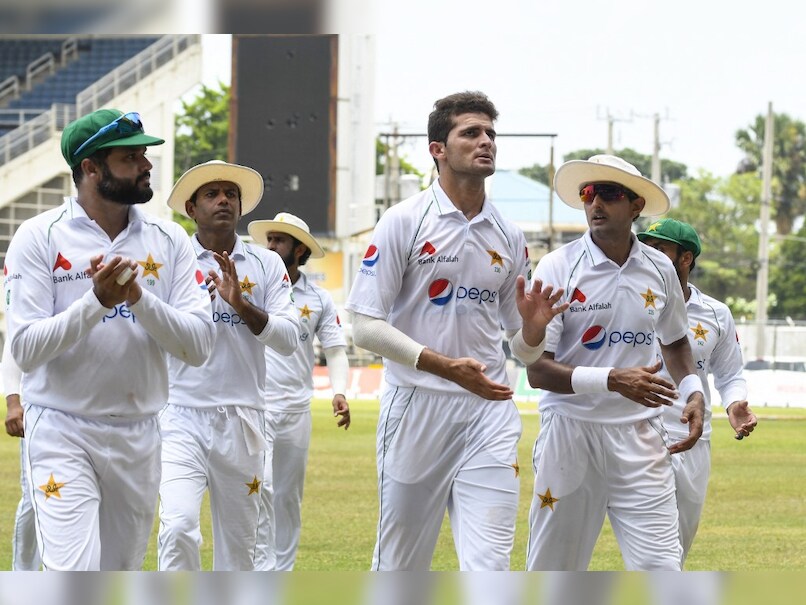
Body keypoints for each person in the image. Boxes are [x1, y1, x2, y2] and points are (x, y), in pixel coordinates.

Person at [345, 91, 567, 571]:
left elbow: (524, 351)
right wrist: (444, 366)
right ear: (438, 149)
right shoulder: (403, 221)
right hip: (416, 409)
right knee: (400, 567)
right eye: (471, 132)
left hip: (489, 413)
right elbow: (363, 326)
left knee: (490, 568)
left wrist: (533, 332)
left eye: (490, 133)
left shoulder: (508, 235)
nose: (486, 141)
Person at [2, 108, 215, 570]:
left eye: (143, 155)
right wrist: (96, 301)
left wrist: (137, 297)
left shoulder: (169, 240)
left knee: (117, 576)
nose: (146, 165)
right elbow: (25, 349)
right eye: (130, 157)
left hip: (140, 431)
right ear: (91, 168)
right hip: (61, 427)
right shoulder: (39, 236)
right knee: (75, 575)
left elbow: (199, 347)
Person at [525, 154, 706, 571]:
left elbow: (676, 341)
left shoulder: (660, 268)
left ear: (636, 205)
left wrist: (693, 391)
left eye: (608, 193)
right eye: (588, 193)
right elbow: (537, 371)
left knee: (663, 570)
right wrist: (612, 379)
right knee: (554, 575)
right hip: (570, 437)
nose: (595, 203)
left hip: (641, 438)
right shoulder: (557, 266)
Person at [157, 161, 299, 570]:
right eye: (211, 194)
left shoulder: (266, 264)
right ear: (191, 208)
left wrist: (241, 305)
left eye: (231, 194)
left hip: (243, 419)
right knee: (178, 528)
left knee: (240, 550)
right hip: (180, 415)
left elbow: (289, 339)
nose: (223, 200)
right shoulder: (171, 261)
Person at [637, 217, 757, 564]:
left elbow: (729, 373)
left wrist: (734, 403)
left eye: (659, 249)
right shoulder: (631, 300)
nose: (648, 255)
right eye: (645, 248)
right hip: (638, 434)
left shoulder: (716, 313)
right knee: (656, 548)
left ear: (686, 258)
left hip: (692, 439)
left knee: (679, 545)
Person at [248, 211, 351, 571]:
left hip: (296, 411)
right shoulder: (252, 289)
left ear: (300, 249)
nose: (271, 246)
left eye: (279, 240)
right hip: (256, 407)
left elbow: (335, 350)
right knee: (261, 489)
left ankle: (284, 572)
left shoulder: (319, 298)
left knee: (288, 498)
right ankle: (261, 571)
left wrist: (339, 391)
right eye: (270, 239)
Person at [2, 336, 41, 571]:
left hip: (101, 414)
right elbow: (13, 345)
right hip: (40, 411)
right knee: (38, 495)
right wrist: (13, 402)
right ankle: (23, 574)